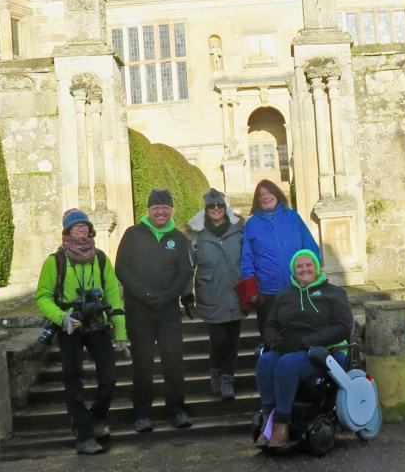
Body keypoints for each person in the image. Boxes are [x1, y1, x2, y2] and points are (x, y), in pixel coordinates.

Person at [35, 209, 127, 455]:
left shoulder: (100, 259)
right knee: (72, 380)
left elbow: (113, 295)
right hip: (71, 326)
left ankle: (96, 419)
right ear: (67, 232)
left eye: (84, 226)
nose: (81, 230)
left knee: (108, 378)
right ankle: (84, 435)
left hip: (97, 322)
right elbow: (43, 297)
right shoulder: (55, 262)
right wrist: (62, 317)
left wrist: (120, 333)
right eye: (75, 227)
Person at [254, 249, 352, 448]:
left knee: (286, 365)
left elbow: (343, 327)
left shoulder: (334, 293)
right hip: (289, 347)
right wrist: (276, 343)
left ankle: (282, 425)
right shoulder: (284, 296)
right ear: (293, 270)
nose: (304, 269)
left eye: (309, 265)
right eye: (299, 266)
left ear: (316, 268)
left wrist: (305, 342)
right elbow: (270, 325)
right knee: (265, 361)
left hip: (322, 351)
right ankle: (268, 421)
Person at [115, 189, 194, 432]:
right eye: (156, 207)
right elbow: (122, 269)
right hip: (139, 311)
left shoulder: (179, 239)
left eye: (165, 207)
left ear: (171, 210)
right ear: (148, 210)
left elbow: (184, 272)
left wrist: (169, 296)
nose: (161, 211)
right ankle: (142, 414)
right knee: (142, 363)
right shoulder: (132, 234)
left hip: (168, 311)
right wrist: (146, 295)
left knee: (173, 361)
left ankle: (178, 410)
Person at [240, 179, 321, 336]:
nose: (265, 197)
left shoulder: (293, 217)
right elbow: (246, 257)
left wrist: (314, 277)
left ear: (277, 195)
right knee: (271, 335)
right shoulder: (252, 224)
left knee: (300, 333)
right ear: (257, 200)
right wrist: (250, 290)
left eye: (269, 192)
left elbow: (310, 247)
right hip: (267, 293)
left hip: (297, 288)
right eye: (261, 195)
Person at [187, 188, 246, 400]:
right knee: (219, 339)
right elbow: (188, 264)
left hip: (236, 291)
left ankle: (227, 378)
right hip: (211, 292)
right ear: (206, 208)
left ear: (225, 207)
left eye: (219, 205)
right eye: (212, 206)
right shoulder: (196, 232)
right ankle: (215, 371)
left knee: (233, 339)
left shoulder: (239, 228)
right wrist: (187, 294)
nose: (216, 209)